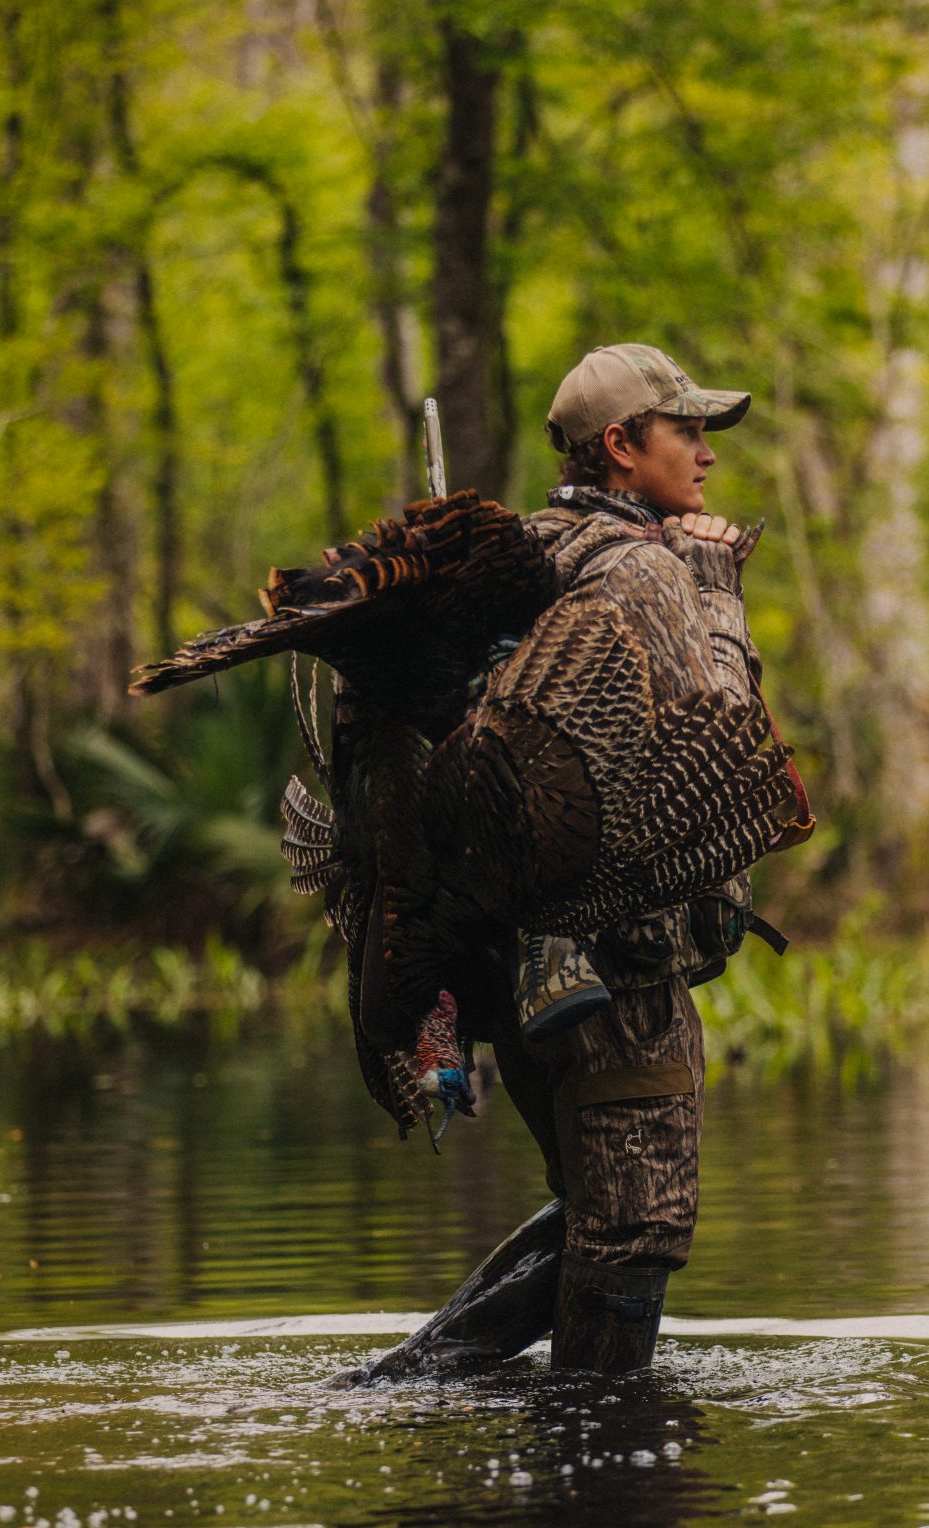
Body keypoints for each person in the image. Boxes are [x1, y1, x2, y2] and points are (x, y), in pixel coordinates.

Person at [341, 343, 777, 1382]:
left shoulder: (532, 553)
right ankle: (593, 1460)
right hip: (613, 968)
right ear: (622, 447)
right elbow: (722, 726)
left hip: (517, 976)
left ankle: (408, 1384)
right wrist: (715, 589)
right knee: (638, 1226)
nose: (707, 455)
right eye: (687, 430)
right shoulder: (642, 568)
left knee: (599, 1211)